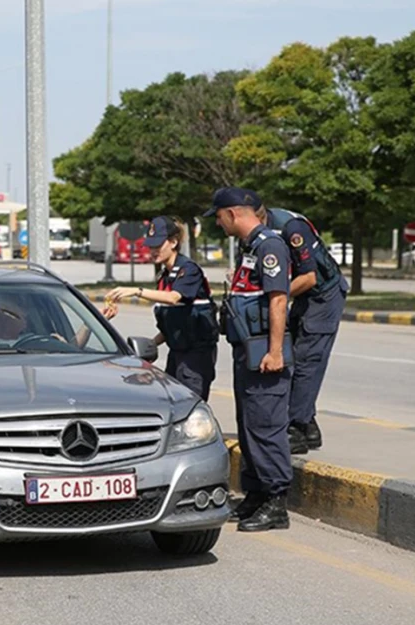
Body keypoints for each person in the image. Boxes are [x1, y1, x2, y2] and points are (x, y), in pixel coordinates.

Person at [204, 187, 292, 532]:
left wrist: (275, 351)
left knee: (267, 427)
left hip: (264, 354)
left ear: (234, 213)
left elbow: (278, 301)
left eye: (219, 217)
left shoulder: (270, 245)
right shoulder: (251, 248)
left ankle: (276, 502)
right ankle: (256, 494)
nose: (218, 224)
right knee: (250, 426)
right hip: (247, 352)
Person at [256, 205, 348, 454]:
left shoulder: (289, 228)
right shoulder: (262, 232)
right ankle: (308, 425)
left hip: (323, 296)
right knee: (294, 357)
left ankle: (295, 428)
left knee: (307, 361)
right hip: (307, 296)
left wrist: (274, 296)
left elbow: (309, 278)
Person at [106, 216, 220, 401]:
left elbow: (173, 298)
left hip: (195, 356)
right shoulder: (164, 276)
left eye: (158, 245)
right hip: (176, 354)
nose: (153, 251)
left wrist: (136, 291)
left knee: (190, 407)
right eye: (150, 246)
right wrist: (148, 346)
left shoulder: (188, 270)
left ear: (174, 242)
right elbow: (173, 324)